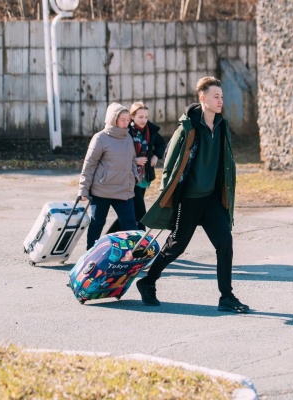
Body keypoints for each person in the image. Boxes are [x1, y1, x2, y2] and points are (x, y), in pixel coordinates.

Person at [136, 76, 250, 313]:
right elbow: (170, 165)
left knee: (225, 243)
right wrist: (167, 196)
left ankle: (226, 297)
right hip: (189, 199)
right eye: (216, 96)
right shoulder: (187, 128)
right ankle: (147, 282)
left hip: (211, 199)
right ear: (203, 98)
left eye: (221, 96)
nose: (221, 101)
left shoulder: (222, 126)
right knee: (176, 246)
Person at [78, 102, 139, 250]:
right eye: (123, 120)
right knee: (97, 223)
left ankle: (134, 253)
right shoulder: (100, 138)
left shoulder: (128, 138)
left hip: (123, 190)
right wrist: (83, 189)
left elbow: (132, 160)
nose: (126, 123)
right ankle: (91, 252)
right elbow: (89, 165)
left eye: (128, 120)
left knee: (130, 224)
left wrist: (134, 177)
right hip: (101, 190)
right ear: (113, 119)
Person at [106, 102, 166, 233]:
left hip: (143, 176)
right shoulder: (126, 131)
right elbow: (118, 153)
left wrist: (156, 155)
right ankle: (141, 239)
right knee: (140, 211)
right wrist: (134, 160)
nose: (144, 120)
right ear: (132, 117)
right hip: (129, 176)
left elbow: (161, 143)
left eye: (146, 117)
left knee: (131, 211)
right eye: (140, 117)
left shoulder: (150, 130)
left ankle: (110, 236)